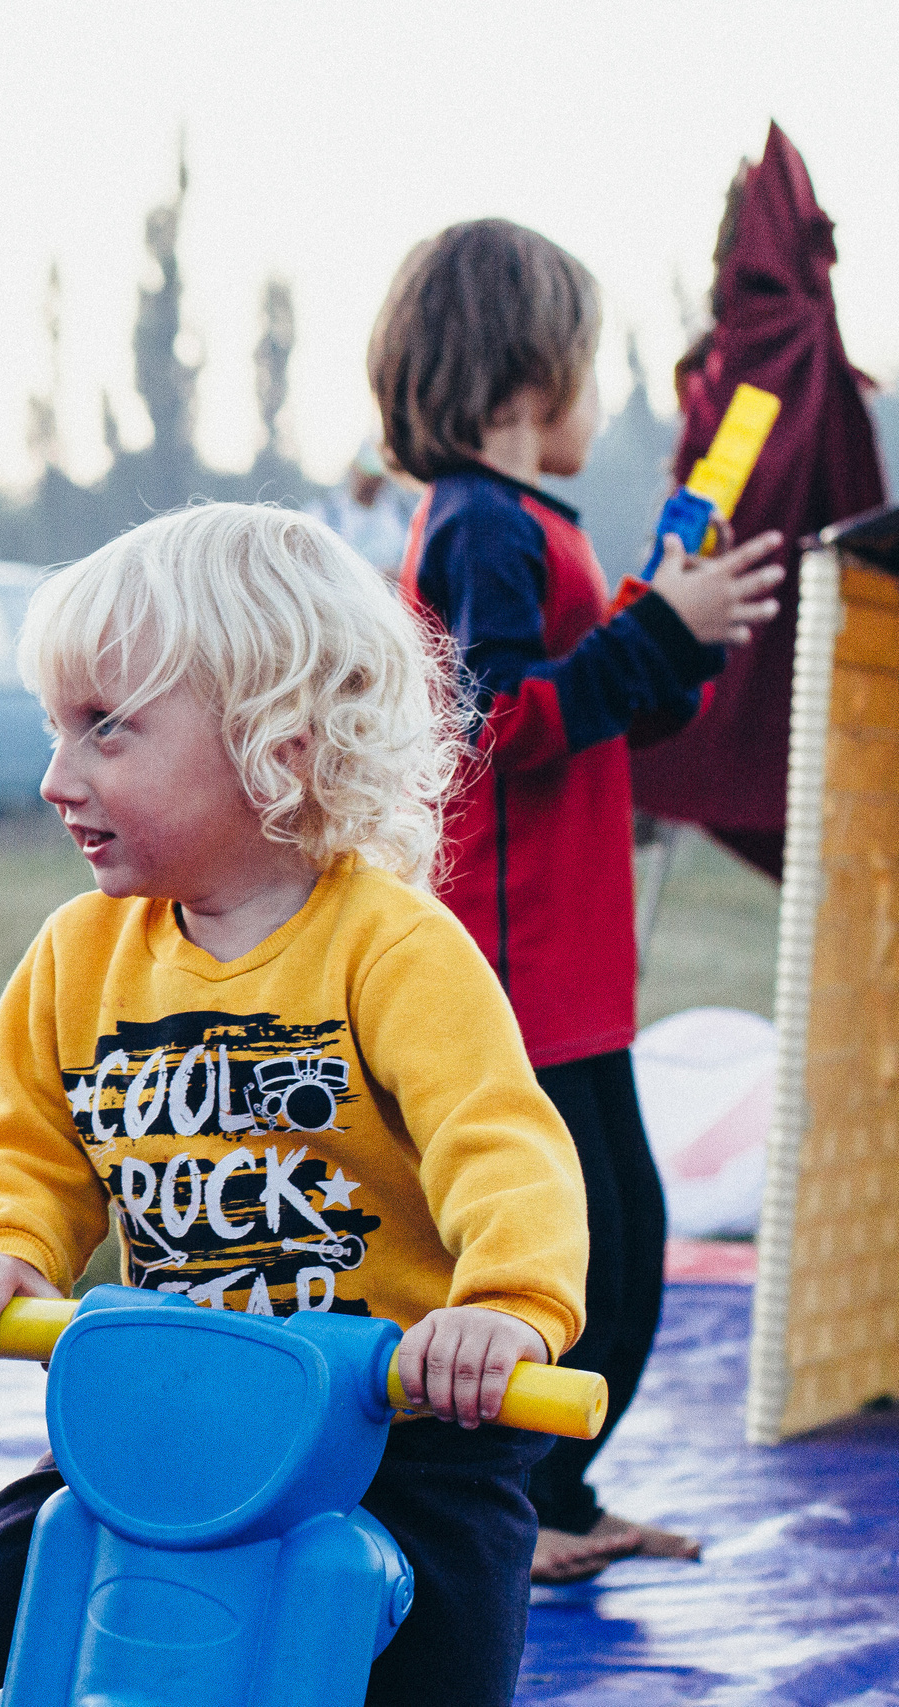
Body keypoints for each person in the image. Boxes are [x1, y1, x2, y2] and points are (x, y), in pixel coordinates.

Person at [0, 504, 591, 1707]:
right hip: (175, 1405)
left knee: (427, 1660)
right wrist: (2, 1251)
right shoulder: (77, 958)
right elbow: (26, 1150)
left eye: (106, 730)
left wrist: (502, 1311)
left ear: (277, 743)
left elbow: (501, 1145)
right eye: (55, 730)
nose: (55, 777)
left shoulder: (391, 951)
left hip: (400, 1426)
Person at [370, 220, 784, 1583]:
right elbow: (494, 715)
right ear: (531, 372)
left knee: (627, 1238)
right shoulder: (481, 522)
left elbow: (601, 701)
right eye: (591, 365)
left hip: (574, 959)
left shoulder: (525, 520)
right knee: (582, 1243)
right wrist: (654, 631)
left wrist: (677, 641)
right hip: (515, 959)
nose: (597, 395)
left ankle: (555, 1492)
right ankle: (518, 1500)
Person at [304, 439, 419, 579]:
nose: (371, 481)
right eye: (367, 472)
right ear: (353, 468)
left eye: (378, 476)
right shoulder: (321, 514)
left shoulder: (401, 515)